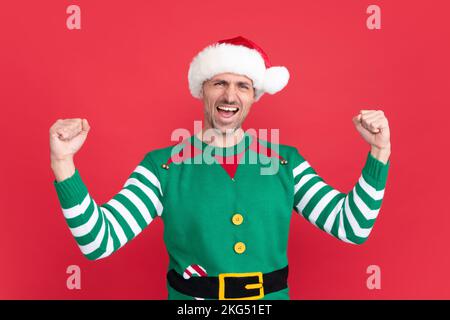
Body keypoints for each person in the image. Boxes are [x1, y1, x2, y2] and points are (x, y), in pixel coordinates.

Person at [49, 36, 391, 300]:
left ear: (254, 96)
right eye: (219, 83)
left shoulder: (287, 163)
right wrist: (63, 162)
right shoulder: (162, 167)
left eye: (242, 85)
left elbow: (353, 227)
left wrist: (379, 152)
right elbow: (98, 241)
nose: (230, 96)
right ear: (202, 90)